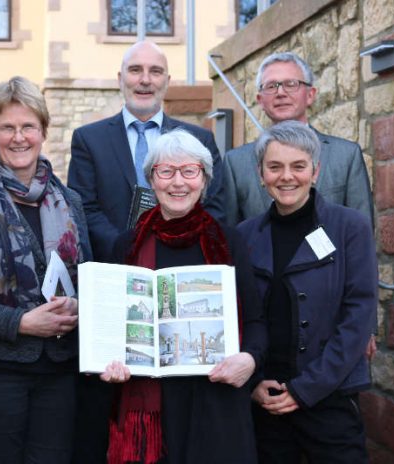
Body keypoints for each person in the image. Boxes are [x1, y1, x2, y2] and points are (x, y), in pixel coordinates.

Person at [0, 76, 92, 464]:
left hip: (60, 371)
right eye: (7, 127)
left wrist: (78, 306)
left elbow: (86, 276)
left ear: (43, 130)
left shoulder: (70, 201)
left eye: (28, 126)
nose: (18, 137)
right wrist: (20, 323)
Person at [99, 129, 267, 463]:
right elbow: (112, 326)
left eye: (189, 171)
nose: (178, 182)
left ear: (204, 180)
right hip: (151, 402)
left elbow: (256, 321)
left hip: (215, 400)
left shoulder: (228, 242)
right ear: (151, 179)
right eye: (166, 171)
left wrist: (249, 359)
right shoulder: (126, 245)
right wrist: (108, 359)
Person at [236, 121, 377, 463]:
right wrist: (253, 382)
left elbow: (359, 313)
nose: (287, 176)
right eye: (275, 167)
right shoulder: (243, 235)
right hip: (266, 397)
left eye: (298, 166)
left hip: (330, 395)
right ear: (260, 173)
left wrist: (305, 389)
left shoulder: (349, 227)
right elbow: (238, 315)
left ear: (315, 171)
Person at [68, 39, 224, 263]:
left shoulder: (200, 139)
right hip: (114, 264)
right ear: (120, 79)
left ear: (167, 81)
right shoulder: (89, 140)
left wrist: (180, 249)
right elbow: (84, 209)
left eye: (156, 71)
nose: (145, 80)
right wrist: (127, 248)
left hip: (184, 262)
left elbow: (215, 205)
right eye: (135, 70)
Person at [221, 52, 373, 228]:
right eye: (271, 86)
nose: (280, 93)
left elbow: (363, 228)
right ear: (260, 101)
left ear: (310, 94)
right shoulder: (236, 163)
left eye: (290, 84)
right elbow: (229, 237)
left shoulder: (346, 155)